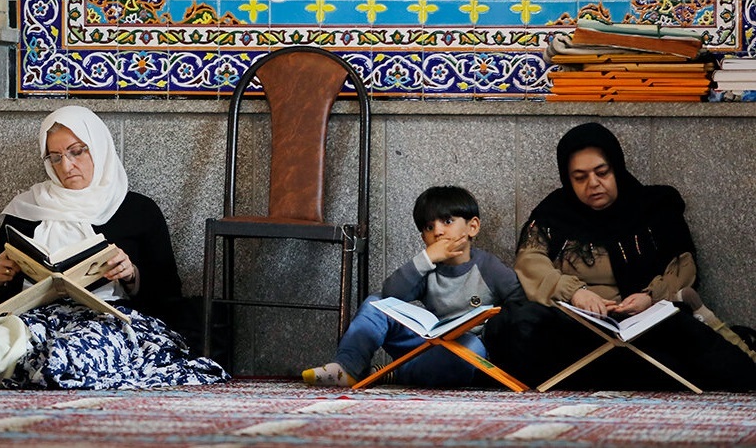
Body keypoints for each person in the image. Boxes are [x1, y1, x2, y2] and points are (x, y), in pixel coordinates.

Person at [488, 121, 756, 390]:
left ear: (617, 167)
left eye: (602, 172)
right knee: (514, 324)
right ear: (567, 180)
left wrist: (650, 297)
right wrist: (575, 292)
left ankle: (613, 371)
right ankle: (642, 373)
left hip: (644, 325)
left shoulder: (655, 207)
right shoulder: (554, 214)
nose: (593, 184)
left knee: (688, 335)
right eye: (580, 178)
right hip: (577, 327)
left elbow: (683, 268)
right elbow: (530, 261)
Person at [0, 105, 228, 389]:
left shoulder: (137, 210)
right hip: (34, 321)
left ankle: (41, 369)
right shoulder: (26, 210)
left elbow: (169, 296)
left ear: (98, 146)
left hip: (109, 321)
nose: (66, 166)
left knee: (68, 353)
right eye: (55, 157)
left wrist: (132, 275)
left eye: (77, 151)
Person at [302, 185, 524, 387]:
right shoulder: (427, 268)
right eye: (429, 226)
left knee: (471, 349)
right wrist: (425, 259)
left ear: (472, 227)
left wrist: (490, 328)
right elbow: (390, 295)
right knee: (376, 303)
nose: (438, 231)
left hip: (466, 349)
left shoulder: (488, 267)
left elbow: (520, 300)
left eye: (447, 221)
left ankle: (395, 374)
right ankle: (347, 368)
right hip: (429, 342)